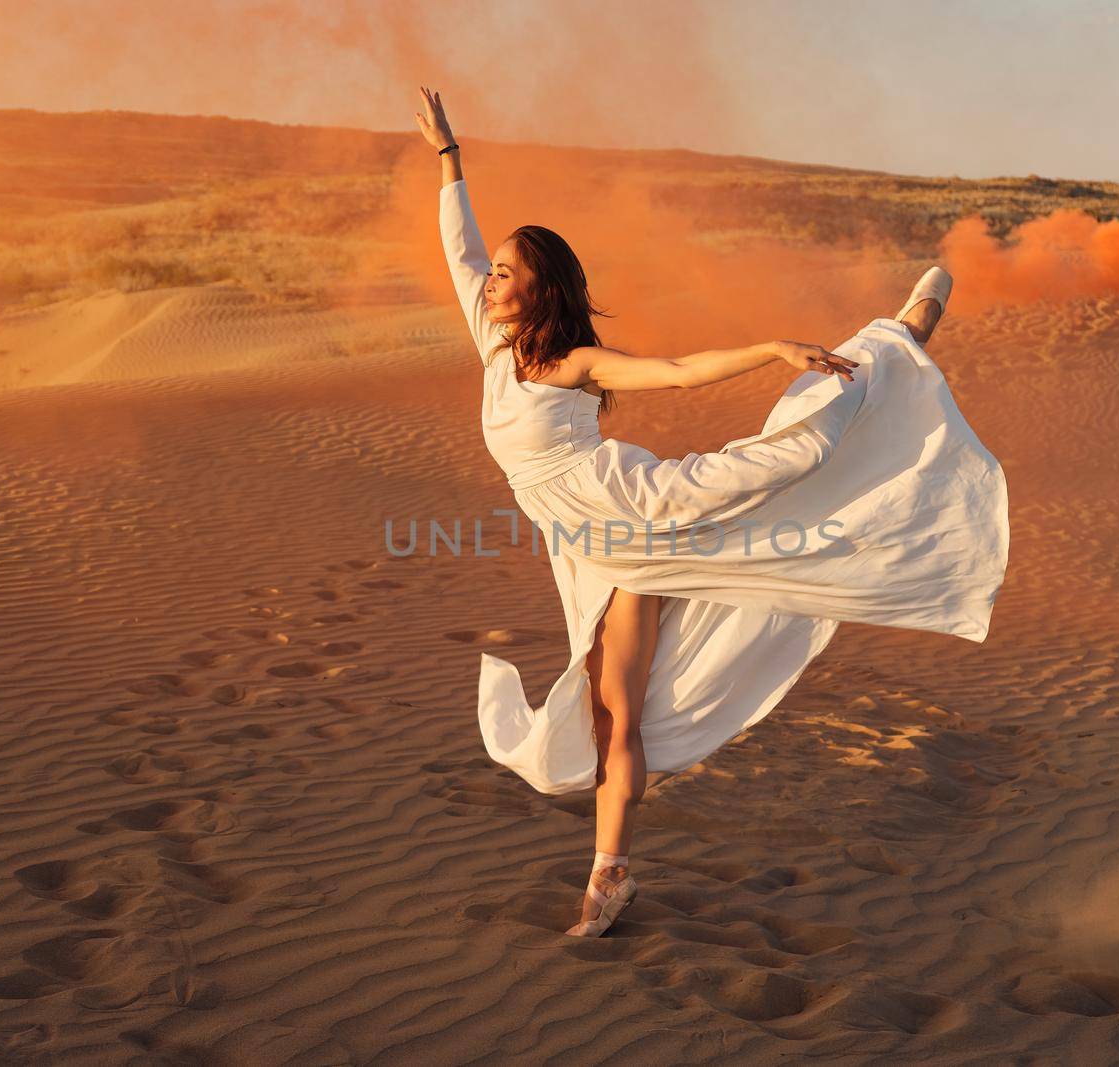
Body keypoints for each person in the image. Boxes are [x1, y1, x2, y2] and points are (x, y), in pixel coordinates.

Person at [416, 87, 1008, 938]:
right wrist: (449, 158)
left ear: (538, 292)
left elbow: (681, 370)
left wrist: (772, 347)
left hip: (631, 508)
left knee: (779, 466)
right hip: (578, 542)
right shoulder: (491, 337)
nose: (492, 277)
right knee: (610, 710)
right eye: (496, 270)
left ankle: (900, 337)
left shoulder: (578, 362)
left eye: (509, 271)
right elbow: (459, 245)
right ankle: (612, 874)